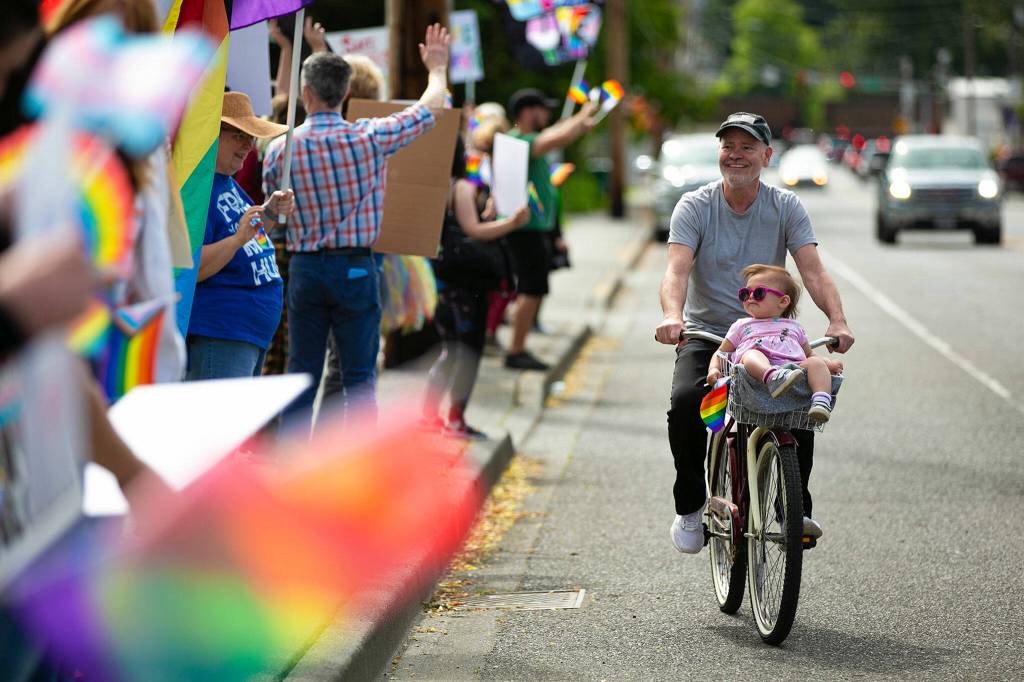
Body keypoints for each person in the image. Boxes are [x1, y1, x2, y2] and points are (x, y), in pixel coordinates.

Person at [654, 112, 855, 555]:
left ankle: (792, 511)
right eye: (728, 146)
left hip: (770, 337)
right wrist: (673, 315)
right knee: (687, 404)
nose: (736, 155)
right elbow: (676, 270)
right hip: (710, 336)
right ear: (719, 154)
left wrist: (836, 320)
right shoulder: (695, 206)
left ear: (766, 155)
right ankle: (690, 505)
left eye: (747, 147)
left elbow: (813, 271)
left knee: (797, 402)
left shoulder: (785, 207)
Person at [262, 24, 450, 432]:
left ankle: (292, 473)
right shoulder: (370, 138)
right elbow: (431, 108)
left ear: (306, 93)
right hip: (357, 269)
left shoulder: (281, 149)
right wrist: (437, 68)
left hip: (305, 270)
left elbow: (274, 220)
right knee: (359, 378)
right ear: (346, 94)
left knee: (302, 375)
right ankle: (352, 479)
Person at [423, 136, 529, 439]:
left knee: (450, 351)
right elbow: (474, 230)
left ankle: (429, 416)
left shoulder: (442, 185)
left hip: (444, 277)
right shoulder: (464, 188)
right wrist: (512, 222)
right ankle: (455, 419)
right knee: (468, 352)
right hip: (468, 282)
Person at [185, 92, 294, 379]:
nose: (248, 146)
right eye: (239, 136)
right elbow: (191, 267)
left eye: (250, 137)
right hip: (223, 330)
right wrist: (236, 239)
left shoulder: (225, 182)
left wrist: (268, 214)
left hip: (240, 333)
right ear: (213, 134)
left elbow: (247, 243)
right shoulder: (199, 189)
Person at [504, 88, 596, 370]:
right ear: (526, 112)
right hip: (526, 230)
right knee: (530, 290)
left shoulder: (528, 140)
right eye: (541, 108)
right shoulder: (520, 141)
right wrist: (584, 112)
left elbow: (558, 131)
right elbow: (560, 136)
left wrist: (578, 123)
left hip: (534, 229)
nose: (546, 114)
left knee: (532, 289)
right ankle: (516, 349)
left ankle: (517, 346)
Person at [706, 264, 844, 423]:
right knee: (751, 355)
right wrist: (714, 368)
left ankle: (821, 400)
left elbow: (810, 355)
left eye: (758, 293)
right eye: (745, 293)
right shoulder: (742, 325)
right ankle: (773, 377)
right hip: (757, 378)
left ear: (783, 301)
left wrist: (827, 364)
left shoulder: (794, 327)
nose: (750, 297)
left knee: (815, 363)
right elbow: (721, 352)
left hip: (793, 373)